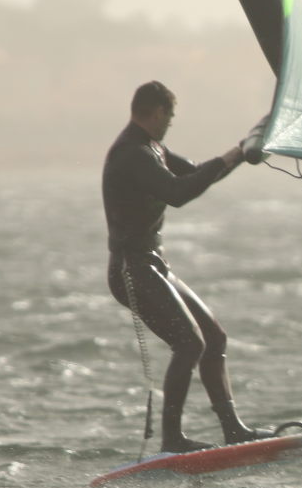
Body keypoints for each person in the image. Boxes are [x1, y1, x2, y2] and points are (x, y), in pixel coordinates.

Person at [102, 80, 263, 453]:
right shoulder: (132, 153)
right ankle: (172, 440)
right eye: (170, 117)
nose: (170, 124)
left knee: (213, 338)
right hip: (131, 269)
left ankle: (233, 430)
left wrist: (242, 153)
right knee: (189, 343)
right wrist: (232, 156)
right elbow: (178, 193)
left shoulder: (152, 148)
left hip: (153, 265)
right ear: (158, 112)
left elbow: (195, 174)